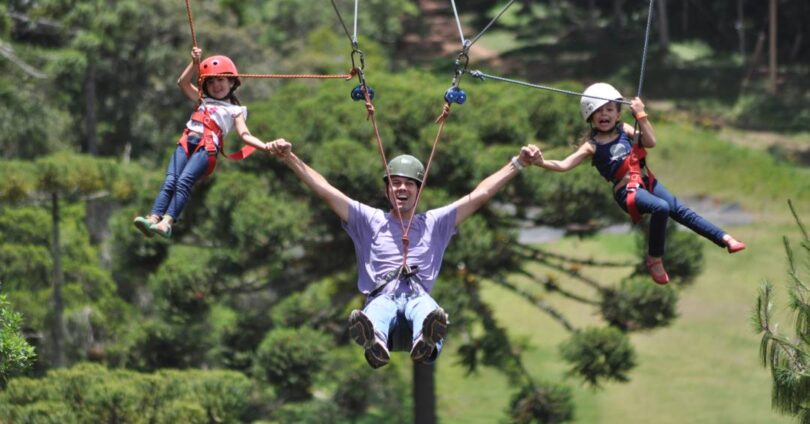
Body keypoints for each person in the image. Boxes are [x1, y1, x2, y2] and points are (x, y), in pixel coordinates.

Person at [267, 140, 540, 368]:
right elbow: (326, 191)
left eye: (409, 184)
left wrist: (517, 163)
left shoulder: (435, 223)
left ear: (418, 191)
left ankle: (426, 339)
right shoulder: (368, 220)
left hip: (417, 300)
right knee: (378, 310)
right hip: (381, 298)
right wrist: (290, 158)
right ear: (387, 189)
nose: (401, 188)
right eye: (395, 183)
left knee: (427, 309)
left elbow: (480, 194)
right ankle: (375, 341)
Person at [529, 82, 745, 285]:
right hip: (627, 192)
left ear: (617, 114)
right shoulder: (591, 146)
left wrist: (641, 116)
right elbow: (564, 165)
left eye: (609, 109)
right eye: (598, 111)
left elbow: (650, 141)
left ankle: (724, 238)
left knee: (680, 210)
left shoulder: (625, 129)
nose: (604, 114)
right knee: (662, 208)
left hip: (646, 181)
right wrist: (541, 162)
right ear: (590, 117)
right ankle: (654, 258)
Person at [133, 47, 284, 239]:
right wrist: (194, 63)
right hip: (186, 142)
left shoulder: (235, 110)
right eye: (210, 81)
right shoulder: (202, 99)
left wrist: (266, 146)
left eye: (220, 79)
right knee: (170, 180)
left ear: (231, 82)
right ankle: (153, 218)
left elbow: (245, 135)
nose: (216, 85)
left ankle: (167, 223)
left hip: (206, 148)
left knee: (183, 182)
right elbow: (182, 83)